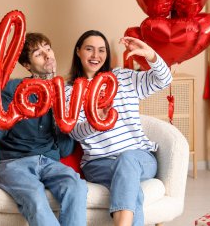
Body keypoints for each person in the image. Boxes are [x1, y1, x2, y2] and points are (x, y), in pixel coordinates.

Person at [65, 30, 172, 226]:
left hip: (140, 158)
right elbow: (74, 132)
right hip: (98, 164)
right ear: (78, 51)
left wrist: (151, 55)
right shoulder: (70, 91)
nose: (96, 56)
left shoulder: (122, 78)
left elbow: (164, 80)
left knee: (127, 159)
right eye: (89, 49)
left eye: (101, 50)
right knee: (132, 192)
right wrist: (95, 121)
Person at [0, 32, 87, 226]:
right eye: (38, 53)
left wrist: (64, 119)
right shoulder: (13, 88)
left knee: (77, 186)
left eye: (48, 48)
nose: (48, 55)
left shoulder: (65, 93)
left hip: (49, 162)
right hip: (13, 163)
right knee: (35, 196)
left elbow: (64, 149)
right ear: (27, 65)